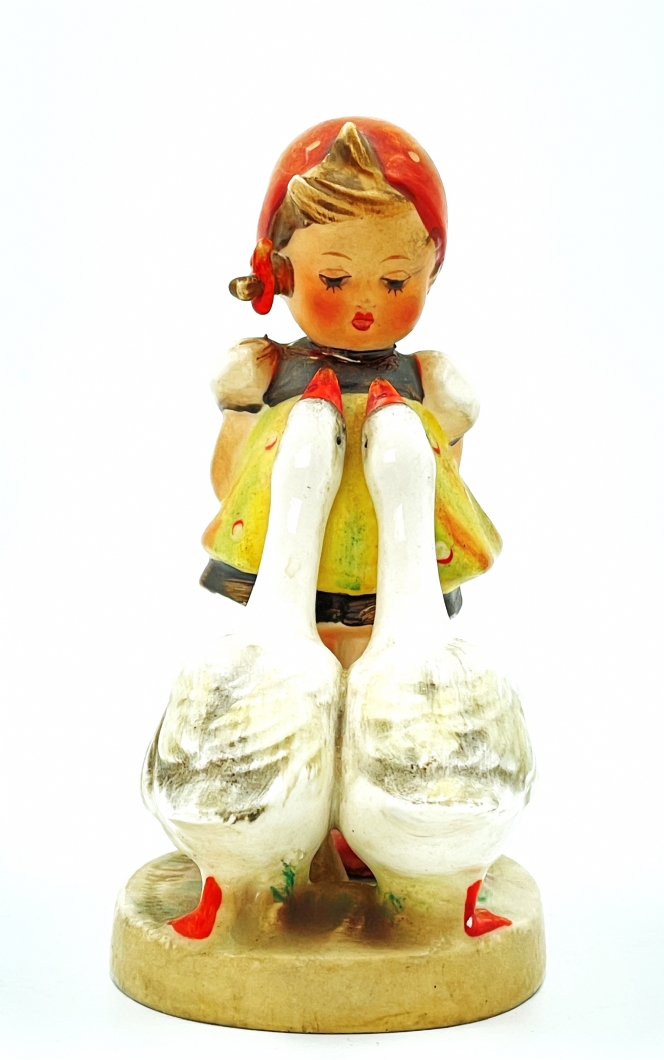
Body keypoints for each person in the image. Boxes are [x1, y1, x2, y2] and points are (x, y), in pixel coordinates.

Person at [201, 118, 501, 668]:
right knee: (298, 655)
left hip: (391, 570)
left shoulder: (423, 380)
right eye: (335, 280)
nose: (365, 303)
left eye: (395, 282)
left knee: (378, 657)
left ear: (430, 273)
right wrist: (242, 409)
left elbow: (444, 475)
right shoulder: (270, 371)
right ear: (281, 269)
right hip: (295, 568)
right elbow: (231, 477)